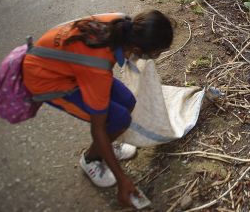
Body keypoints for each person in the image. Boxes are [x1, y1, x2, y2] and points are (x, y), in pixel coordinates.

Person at [22, 11, 175, 206]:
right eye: (154, 53)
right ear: (136, 48)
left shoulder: (121, 22)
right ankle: (91, 158)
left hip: (71, 66)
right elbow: (98, 127)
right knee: (118, 119)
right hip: (48, 79)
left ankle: (106, 148)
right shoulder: (97, 66)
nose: (153, 57)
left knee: (127, 101)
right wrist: (123, 180)